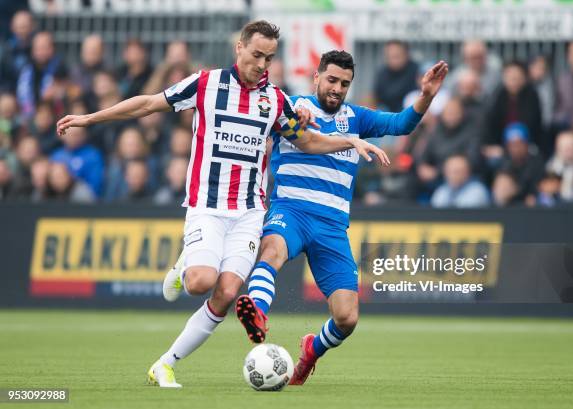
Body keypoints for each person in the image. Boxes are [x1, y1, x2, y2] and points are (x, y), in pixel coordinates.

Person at [55, 20, 388, 388]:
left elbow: (307, 141)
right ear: (240, 49)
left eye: (270, 58)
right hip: (207, 206)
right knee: (201, 282)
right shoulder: (206, 84)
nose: (262, 64)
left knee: (228, 292)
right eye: (257, 55)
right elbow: (149, 104)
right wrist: (90, 118)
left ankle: (164, 364)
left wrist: (349, 142)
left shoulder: (275, 100)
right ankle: (185, 266)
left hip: (249, 213)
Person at [224, 51, 445, 385]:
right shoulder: (291, 106)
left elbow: (401, 124)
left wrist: (426, 95)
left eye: (344, 83)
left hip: (332, 226)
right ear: (316, 77)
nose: (337, 88)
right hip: (291, 211)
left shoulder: (356, 118)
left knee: (347, 317)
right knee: (272, 250)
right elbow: (258, 122)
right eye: (331, 80)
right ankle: (256, 311)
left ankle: (312, 348)